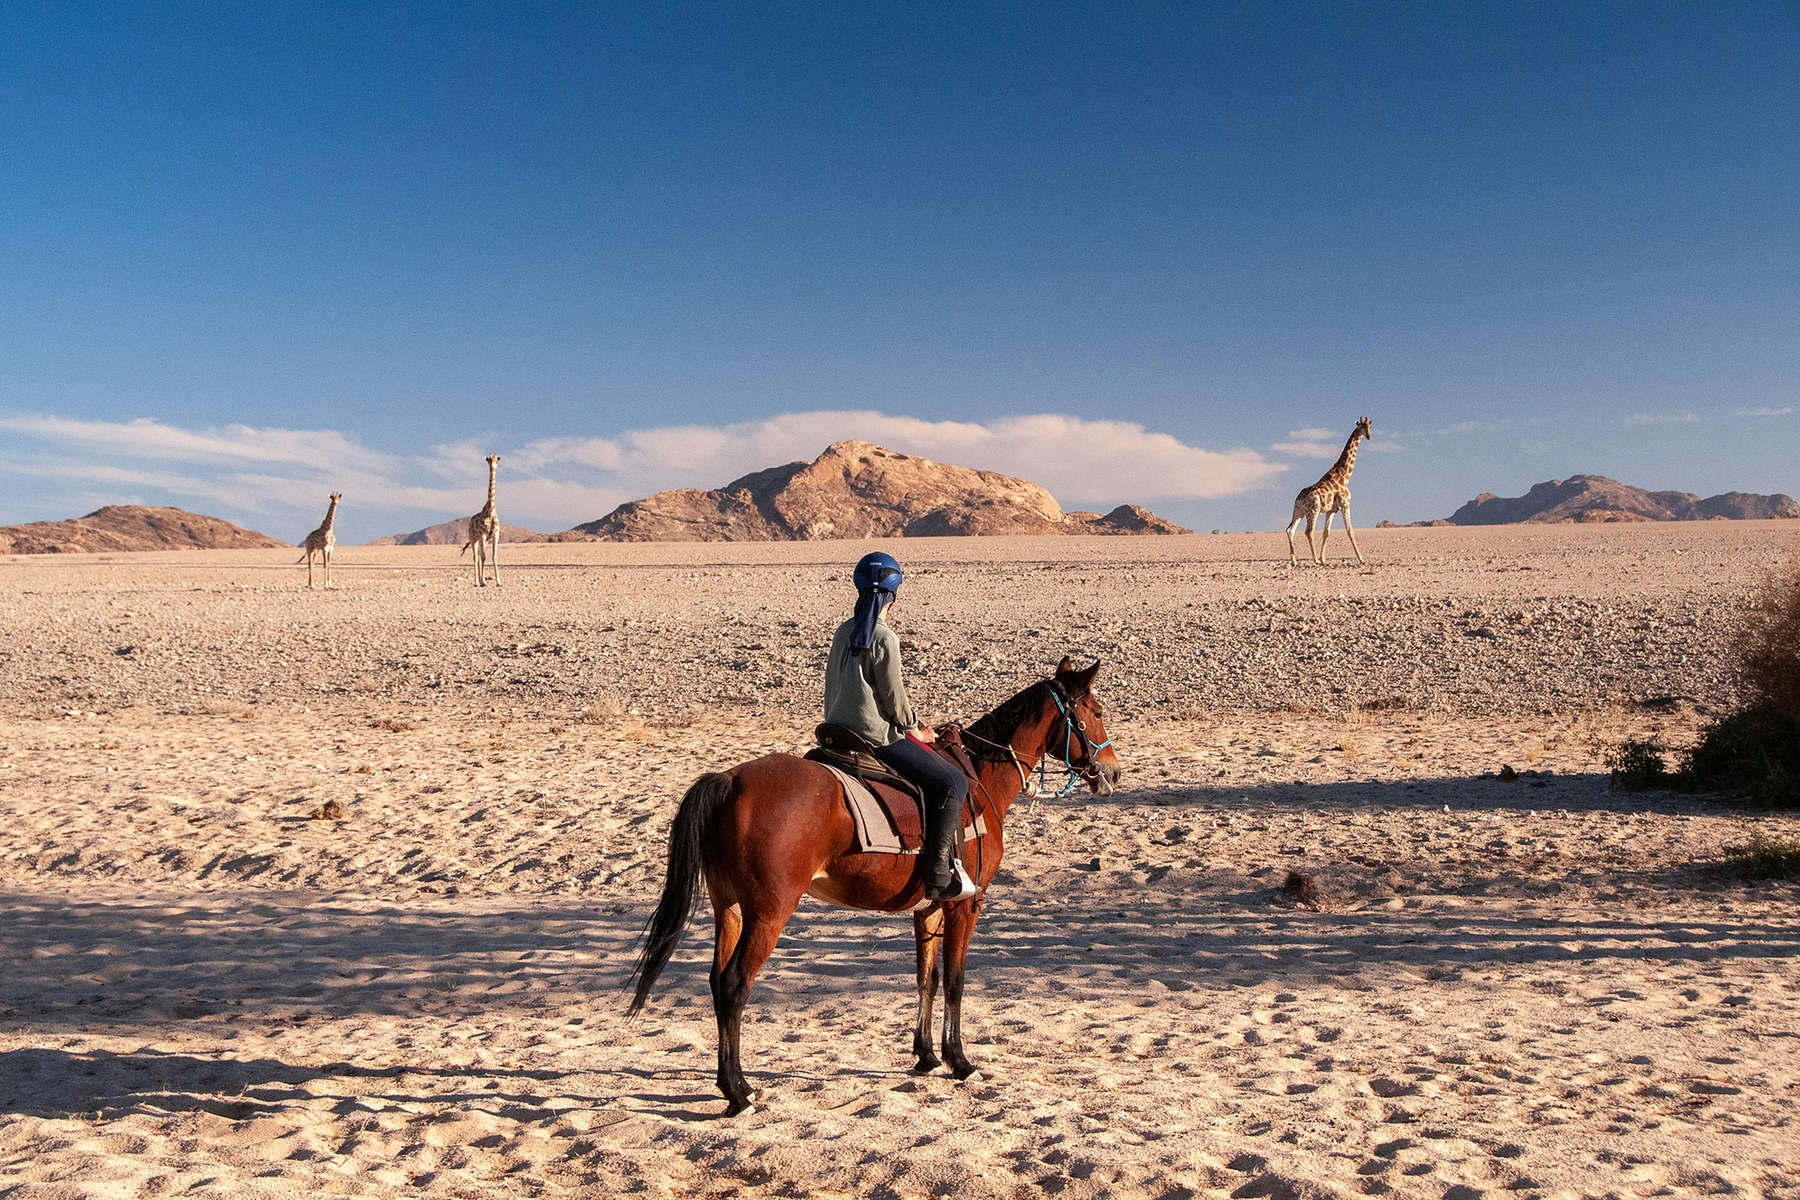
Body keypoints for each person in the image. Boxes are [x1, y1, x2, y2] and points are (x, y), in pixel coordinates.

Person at [824, 552, 979, 901]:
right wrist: (915, 729)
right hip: (874, 737)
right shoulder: (884, 637)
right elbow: (894, 701)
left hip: (835, 730)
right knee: (953, 781)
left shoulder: (842, 631)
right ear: (893, 594)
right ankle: (939, 875)